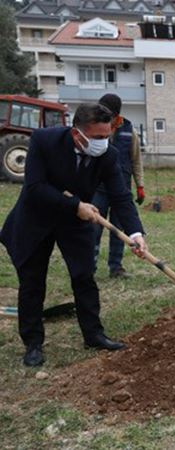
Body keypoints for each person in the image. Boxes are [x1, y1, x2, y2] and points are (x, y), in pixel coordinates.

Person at [0, 103, 148, 367]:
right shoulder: (44, 141)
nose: (104, 143)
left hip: (74, 221)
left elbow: (121, 197)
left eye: (107, 137)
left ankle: (94, 335)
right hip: (36, 219)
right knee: (33, 282)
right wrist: (75, 206)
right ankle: (33, 343)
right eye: (98, 138)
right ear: (77, 133)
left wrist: (136, 232)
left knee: (84, 277)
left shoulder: (108, 155)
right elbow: (34, 187)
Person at [91, 94, 145, 278]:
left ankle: (116, 267)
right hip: (98, 187)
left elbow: (136, 160)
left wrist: (140, 186)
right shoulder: (94, 127)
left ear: (116, 115)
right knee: (94, 227)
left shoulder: (129, 130)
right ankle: (90, 267)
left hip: (121, 187)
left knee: (119, 229)